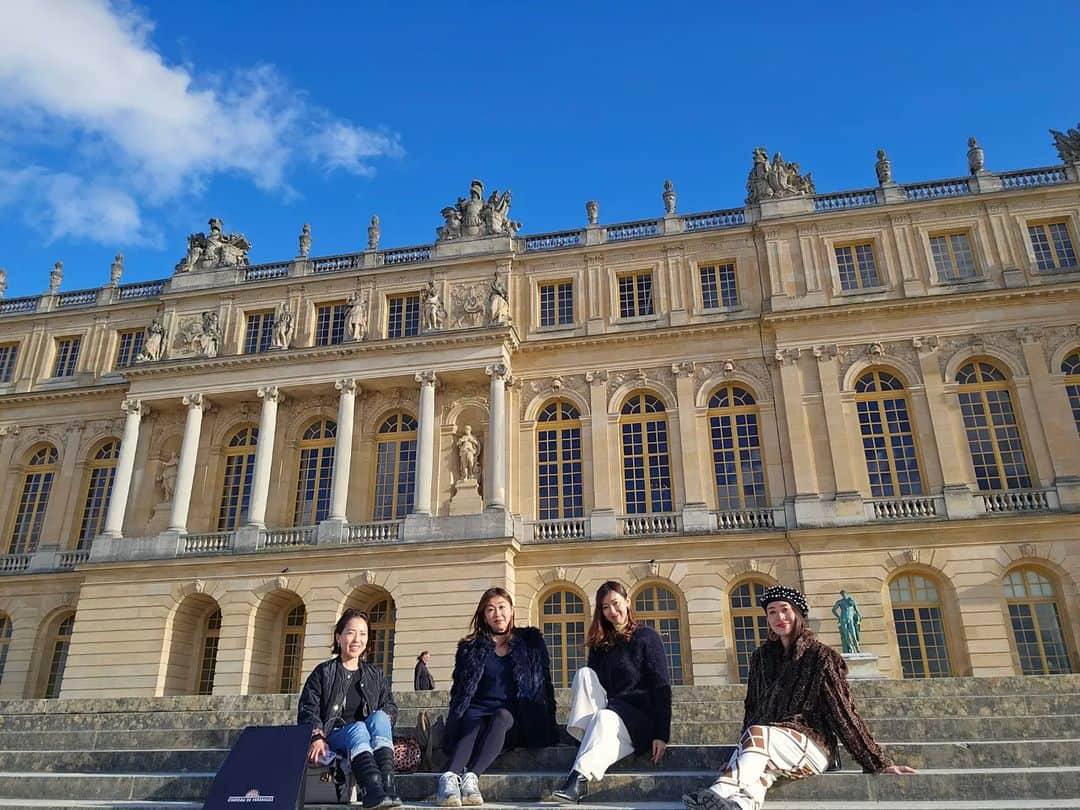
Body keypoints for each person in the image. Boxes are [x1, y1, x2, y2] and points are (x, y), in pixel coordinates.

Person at [682, 585, 916, 810]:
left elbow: (843, 713)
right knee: (763, 774)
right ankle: (739, 805)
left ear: (798, 614)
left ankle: (718, 791)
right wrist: (740, 755)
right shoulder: (760, 658)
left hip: (813, 747)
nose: (778, 617)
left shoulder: (820, 656)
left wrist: (877, 762)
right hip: (771, 746)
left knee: (758, 734)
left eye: (785, 609)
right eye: (772, 612)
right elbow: (752, 709)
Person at [551, 580, 671, 804]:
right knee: (585, 674)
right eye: (605, 607)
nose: (612, 612)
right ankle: (588, 742)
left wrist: (662, 734)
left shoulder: (647, 637)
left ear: (627, 601)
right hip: (607, 717)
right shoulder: (600, 644)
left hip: (637, 719)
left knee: (604, 716)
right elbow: (594, 690)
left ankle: (577, 780)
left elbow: (661, 686)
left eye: (616, 604)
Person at [439, 587, 558, 807]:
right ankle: (448, 778)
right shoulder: (470, 647)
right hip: (477, 711)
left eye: (502, 607)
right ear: (484, 615)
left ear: (512, 610)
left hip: (511, 717)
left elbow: (544, 686)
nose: (497, 614)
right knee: (474, 724)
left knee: (501, 717)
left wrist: (548, 723)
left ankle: (471, 777)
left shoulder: (531, 642)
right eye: (490, 610)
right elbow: (460, 691)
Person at [298, 609, 400, 809]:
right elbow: (308, 709)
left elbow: (390, 705)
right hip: (334, 737)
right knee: (358, 728)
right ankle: (371, 787)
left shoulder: (375, 674)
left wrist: (382, 721)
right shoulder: (324, 672)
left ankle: (387, 787)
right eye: (351, 633)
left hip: (366, 740)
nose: (357, 639)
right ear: (339, 637)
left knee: (381, 716)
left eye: (363, 634)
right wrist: (317, 737)